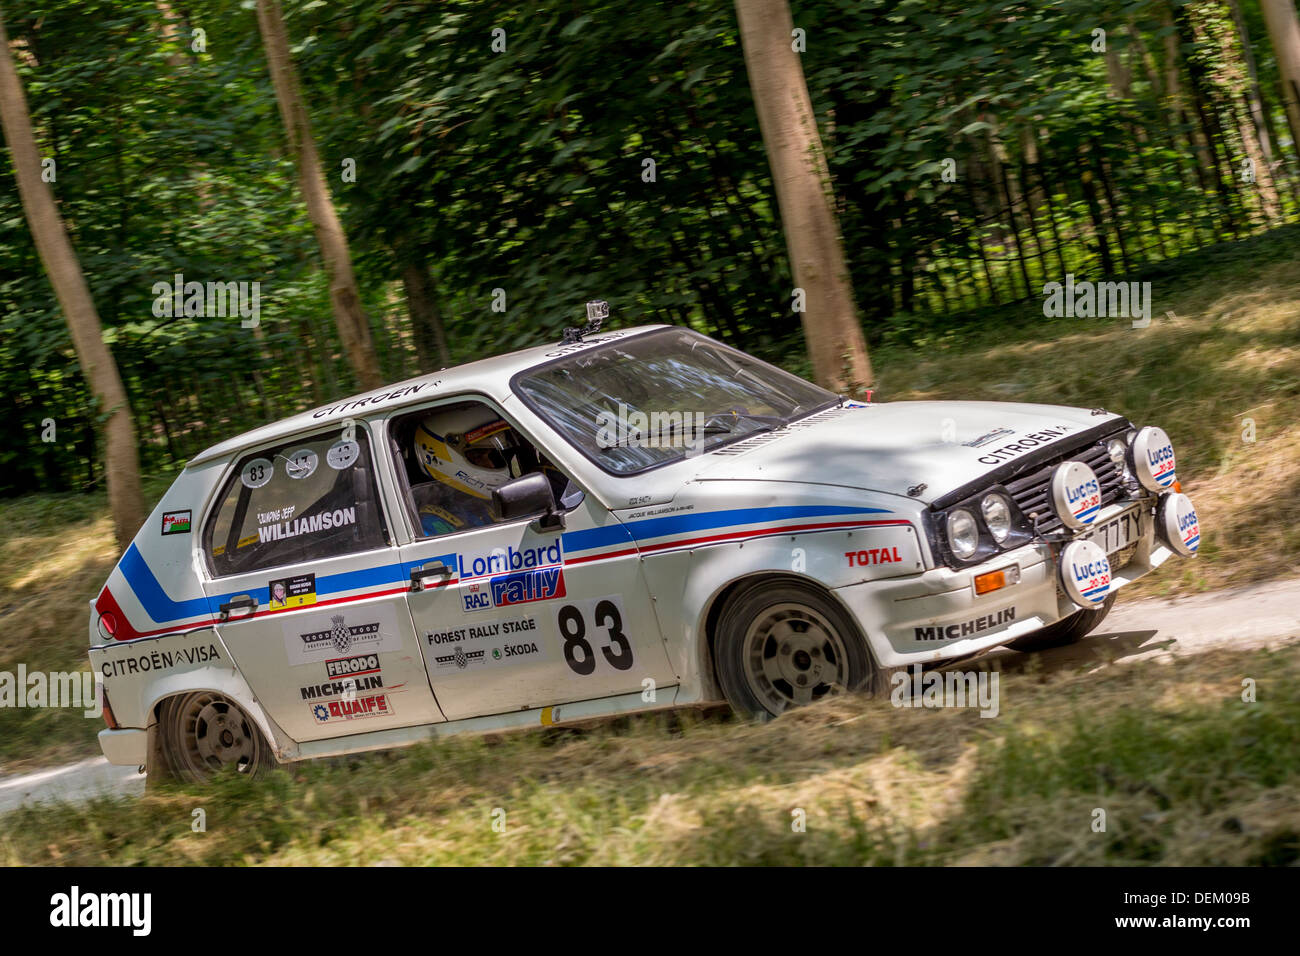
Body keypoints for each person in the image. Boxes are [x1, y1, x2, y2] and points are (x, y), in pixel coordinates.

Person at [410, 406, 533, 536]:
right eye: (478, 456)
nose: (490, 464)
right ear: (438, 458)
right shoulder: (432, 524)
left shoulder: (485, 505)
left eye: (492, 455)